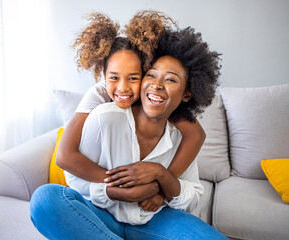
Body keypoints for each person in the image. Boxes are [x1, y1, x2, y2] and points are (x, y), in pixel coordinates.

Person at [30, 23, 226, 239]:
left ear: (187, 93)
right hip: (99, 215)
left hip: (154, 219)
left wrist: (161, 177)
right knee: (45, 200)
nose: (157, 85)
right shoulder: (102, 113)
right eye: (152, 75)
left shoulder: (180, 133)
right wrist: (117, 190)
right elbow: (71, 169)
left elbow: (193, 193)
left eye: (170, 79)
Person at [56, 12, 207, 209]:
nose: (123, 88)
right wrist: (120, 186)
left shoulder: (154, 99)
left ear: (144, 74)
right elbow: (64, 156)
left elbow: (196, 134)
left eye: (134, 78)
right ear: (103, 75)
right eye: (114, 78)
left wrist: (161, 185)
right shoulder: (99, 97)